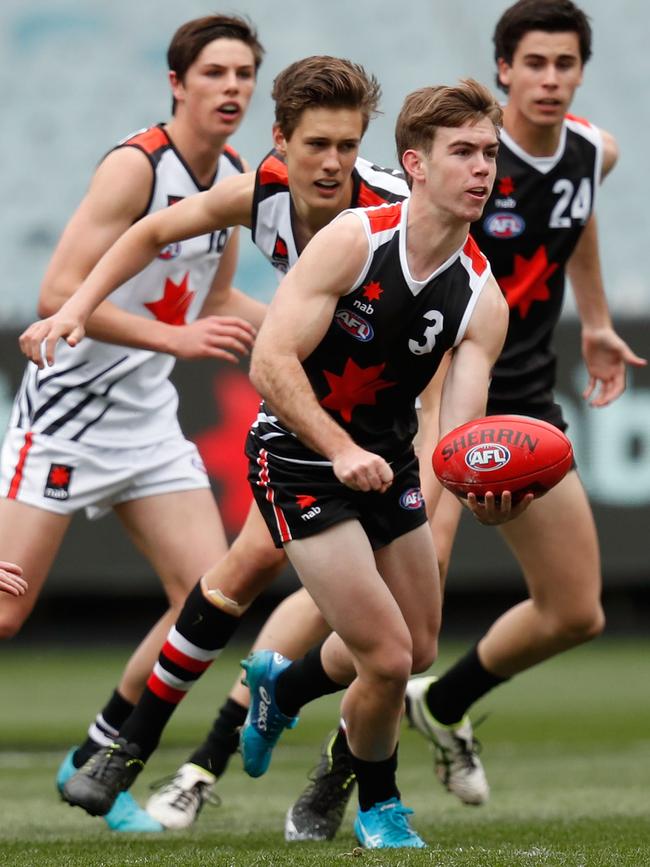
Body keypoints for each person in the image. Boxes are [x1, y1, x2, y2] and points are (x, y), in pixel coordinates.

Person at [280, 0, 648, 842]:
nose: (552, 79)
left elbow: (576, 218)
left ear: (582, 72)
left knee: (577, 610)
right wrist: (431, 447)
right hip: (437, 399)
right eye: (536, 63)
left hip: (525, 402)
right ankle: (312, 752)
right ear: (504, 71)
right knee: (399, 624)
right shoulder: (465, 155)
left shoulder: (595, 151)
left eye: (567, 63)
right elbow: (422, 300)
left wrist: (593, 320)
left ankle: (438, 705)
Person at [18, 55, 412, 830]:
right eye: (314, 147)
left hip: (385, 429)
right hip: (307, 428)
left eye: (346, 145)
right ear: (281, 143)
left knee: (399, 635)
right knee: (276, 583)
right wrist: (76, 309)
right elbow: (157, 230)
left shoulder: (393, 209)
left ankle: (220, 715)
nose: (330, 164)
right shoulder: (257, 188)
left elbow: (453, 300)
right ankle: (347, 786)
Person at [2, 13, 263, 832]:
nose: (231, 88)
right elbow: (56, 297)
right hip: (67, 417)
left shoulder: (237, 176)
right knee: (6, 611)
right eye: (214, 73)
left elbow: (218, 303)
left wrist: (322, 325)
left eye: (243, 75)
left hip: (147, 422)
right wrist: (177, 338)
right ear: (177, 83)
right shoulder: (133, 169)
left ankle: (97, 758)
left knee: (207, 600)